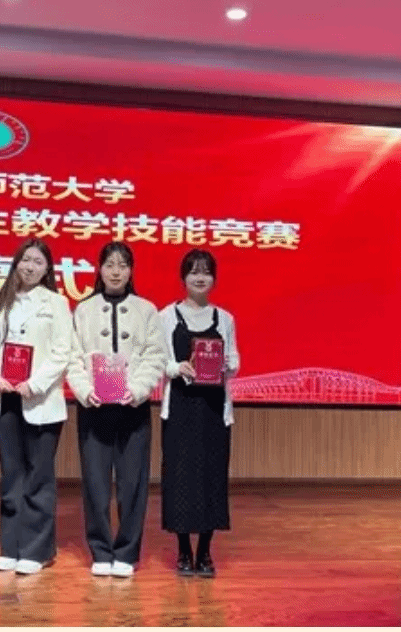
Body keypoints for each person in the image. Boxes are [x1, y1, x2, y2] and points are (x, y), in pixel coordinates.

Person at [67, 242, 166, 577]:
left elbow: (155, 356)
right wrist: (85, 391)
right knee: (95, 483)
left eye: (123, 265)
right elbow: (73, 357)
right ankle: (100, 550)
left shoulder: (146, 310)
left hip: (132, 408)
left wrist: (136, 390)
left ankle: (126, 552)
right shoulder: (84, 310)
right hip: (94, 408)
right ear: (99, 269)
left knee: (132, 483)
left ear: (131, 271)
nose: (115, 271)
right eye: (109, 264)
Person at [0, 238, 73, 575]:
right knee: (11, 475)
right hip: (5, 398)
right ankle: (11, 547)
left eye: (38, 262)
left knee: (39, 477)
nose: (30, 266)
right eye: (25, 260)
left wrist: (35, 383)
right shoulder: (0, 301)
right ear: (16, 263)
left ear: (47, 269)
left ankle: (37, 550)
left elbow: (63, 351)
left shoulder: (56, 303)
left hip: (40, 400)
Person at [159, 248, 240, 578]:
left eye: (206, 272)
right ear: (184, 277)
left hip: (213, 410)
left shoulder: (225, 318)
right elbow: (159, 360)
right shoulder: (166, 316)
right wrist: (177, 367)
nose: (200, 277)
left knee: (211, 478)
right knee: (180, 478)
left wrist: (224, 365)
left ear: (214, 279)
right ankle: (183, 550)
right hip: (180, 406)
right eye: (194, 271)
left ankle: (205, 550)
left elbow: (235, 360)